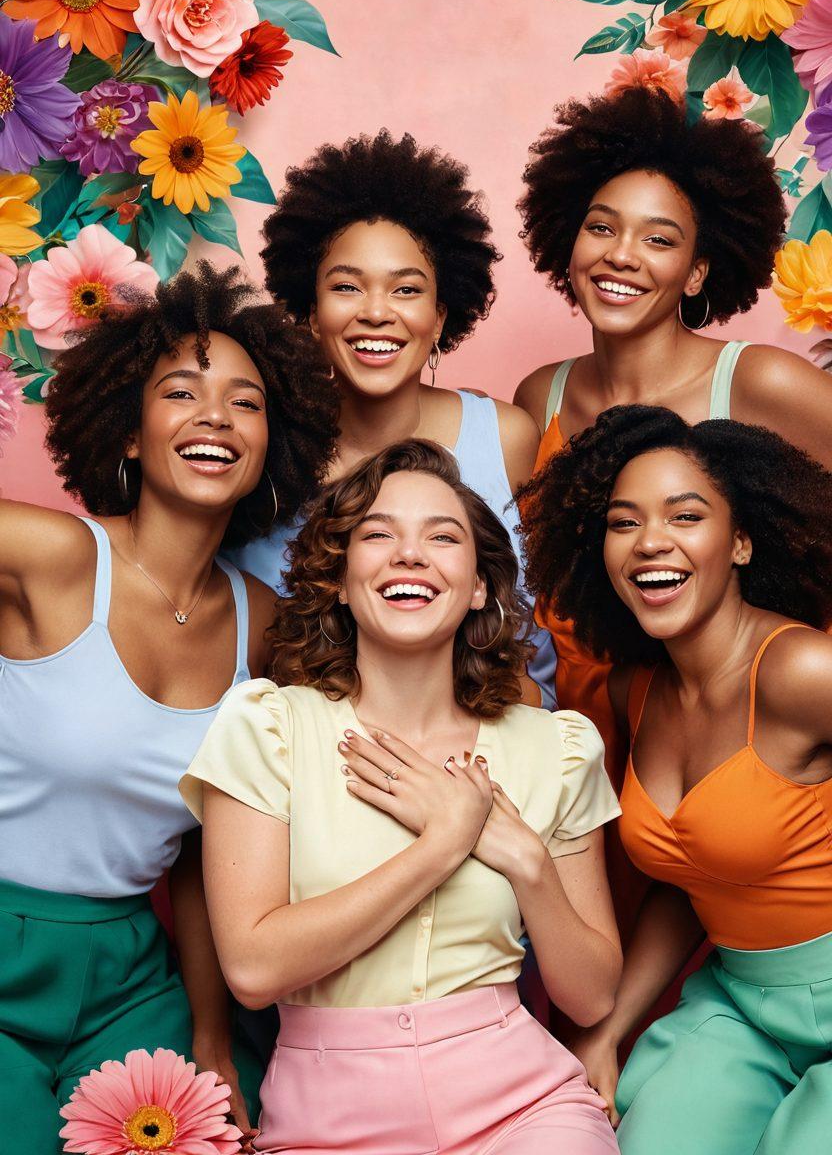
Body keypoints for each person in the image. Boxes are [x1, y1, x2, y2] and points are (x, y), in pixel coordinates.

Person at [182, 439, 622, 1154]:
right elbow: (254, 970)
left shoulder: (556, 748)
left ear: (478, 586)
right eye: (378, 535)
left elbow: (592, 994)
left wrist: (527, 862)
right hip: (328, 1122)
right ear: (340, 579)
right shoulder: (269, 728)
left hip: (523, 1106)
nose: (410, 555)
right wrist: (444, 843)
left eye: (442, 537)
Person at [0, 263, 338, 1148]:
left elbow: (202, 848)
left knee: (226, 1129)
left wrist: (211, 1036)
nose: (215, 417)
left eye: (245, 402)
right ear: (129, 434)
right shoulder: (48, 556)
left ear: (273, 445)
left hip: (125, 973)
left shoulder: (262, 630)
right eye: (180, 392)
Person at [521, 404, 832, 1154]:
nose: (650, 542)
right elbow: (689, 881)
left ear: (743, 542)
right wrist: (607, 1031)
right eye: (623, 523)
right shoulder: (640, 692)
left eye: (685, 516)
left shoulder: (801, 672)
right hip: (739, 1007)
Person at [514, 85, 832, 763]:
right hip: (579, 732)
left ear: (697, 272)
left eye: (659, 239)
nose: (621, 255)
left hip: (737, 738)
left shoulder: (760, 382)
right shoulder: (541, 395)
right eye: (601, 227)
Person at [229, 130, 554, 707]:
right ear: (310, 312)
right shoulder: (262, 448)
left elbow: (539, 634)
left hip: (503, 745)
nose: (376, 312)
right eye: (347, 287)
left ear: (439, 317)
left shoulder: (506, 436)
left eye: (406, 290)